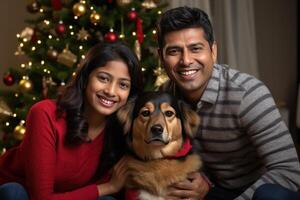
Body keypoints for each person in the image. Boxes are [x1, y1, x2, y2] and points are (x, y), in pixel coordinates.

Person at [157, 6, 300, 200]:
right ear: (161, 57)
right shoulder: (164, 97)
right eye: (174, 51)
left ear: (213, 51)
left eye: (195, 48)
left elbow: (289, 170)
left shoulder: (247, 94)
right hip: (211, 192)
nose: (186, 60)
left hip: (258, 190)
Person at [0, 41, 143, 200]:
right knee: (13, 192)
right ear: (86, 77)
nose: (111, 91)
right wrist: (108, 187)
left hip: (71, 197)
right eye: (103, 78)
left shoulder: (122, 131)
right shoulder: (45, 114)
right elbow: (42, 198)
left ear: (130, 94)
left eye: (123, 85)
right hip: (21, 194)